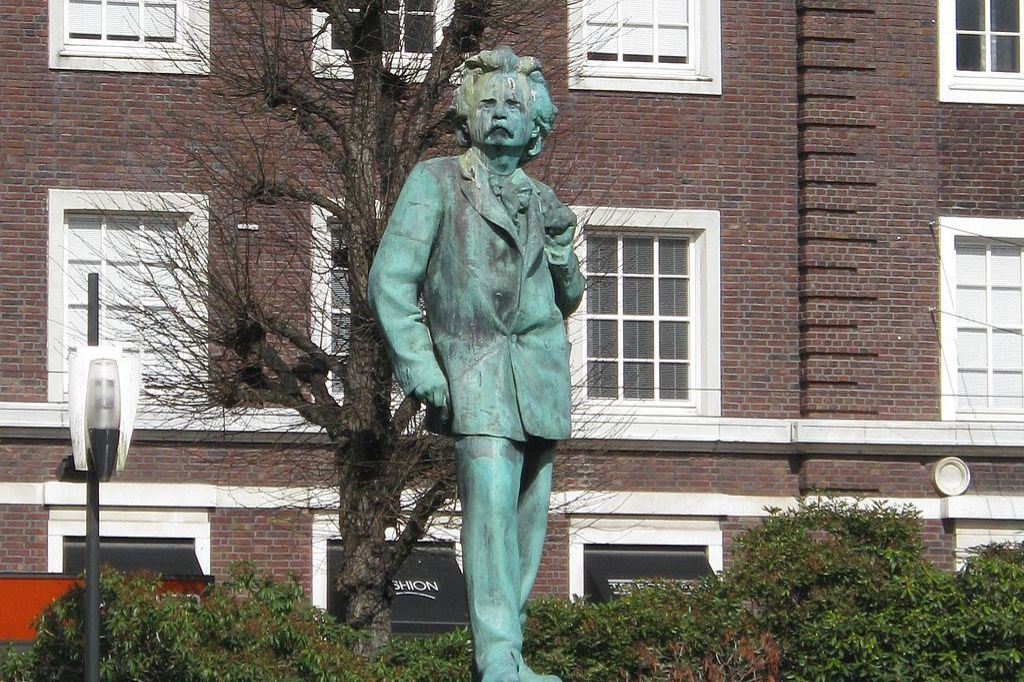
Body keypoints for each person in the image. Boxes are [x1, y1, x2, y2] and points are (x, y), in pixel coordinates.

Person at [368, 47, 583, 682]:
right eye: (487, 103)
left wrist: (567, 253)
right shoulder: (436, 181)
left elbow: (564, 298)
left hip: (538, 379)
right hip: (475, 371)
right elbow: (390, 280)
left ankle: (508, 654)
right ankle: (496, 662)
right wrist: (419, 364)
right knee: (488, 515)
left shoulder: (545, 200)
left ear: (536, 124)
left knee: (524, 525)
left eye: (514, 106)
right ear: (467, 114)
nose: (500, 115)